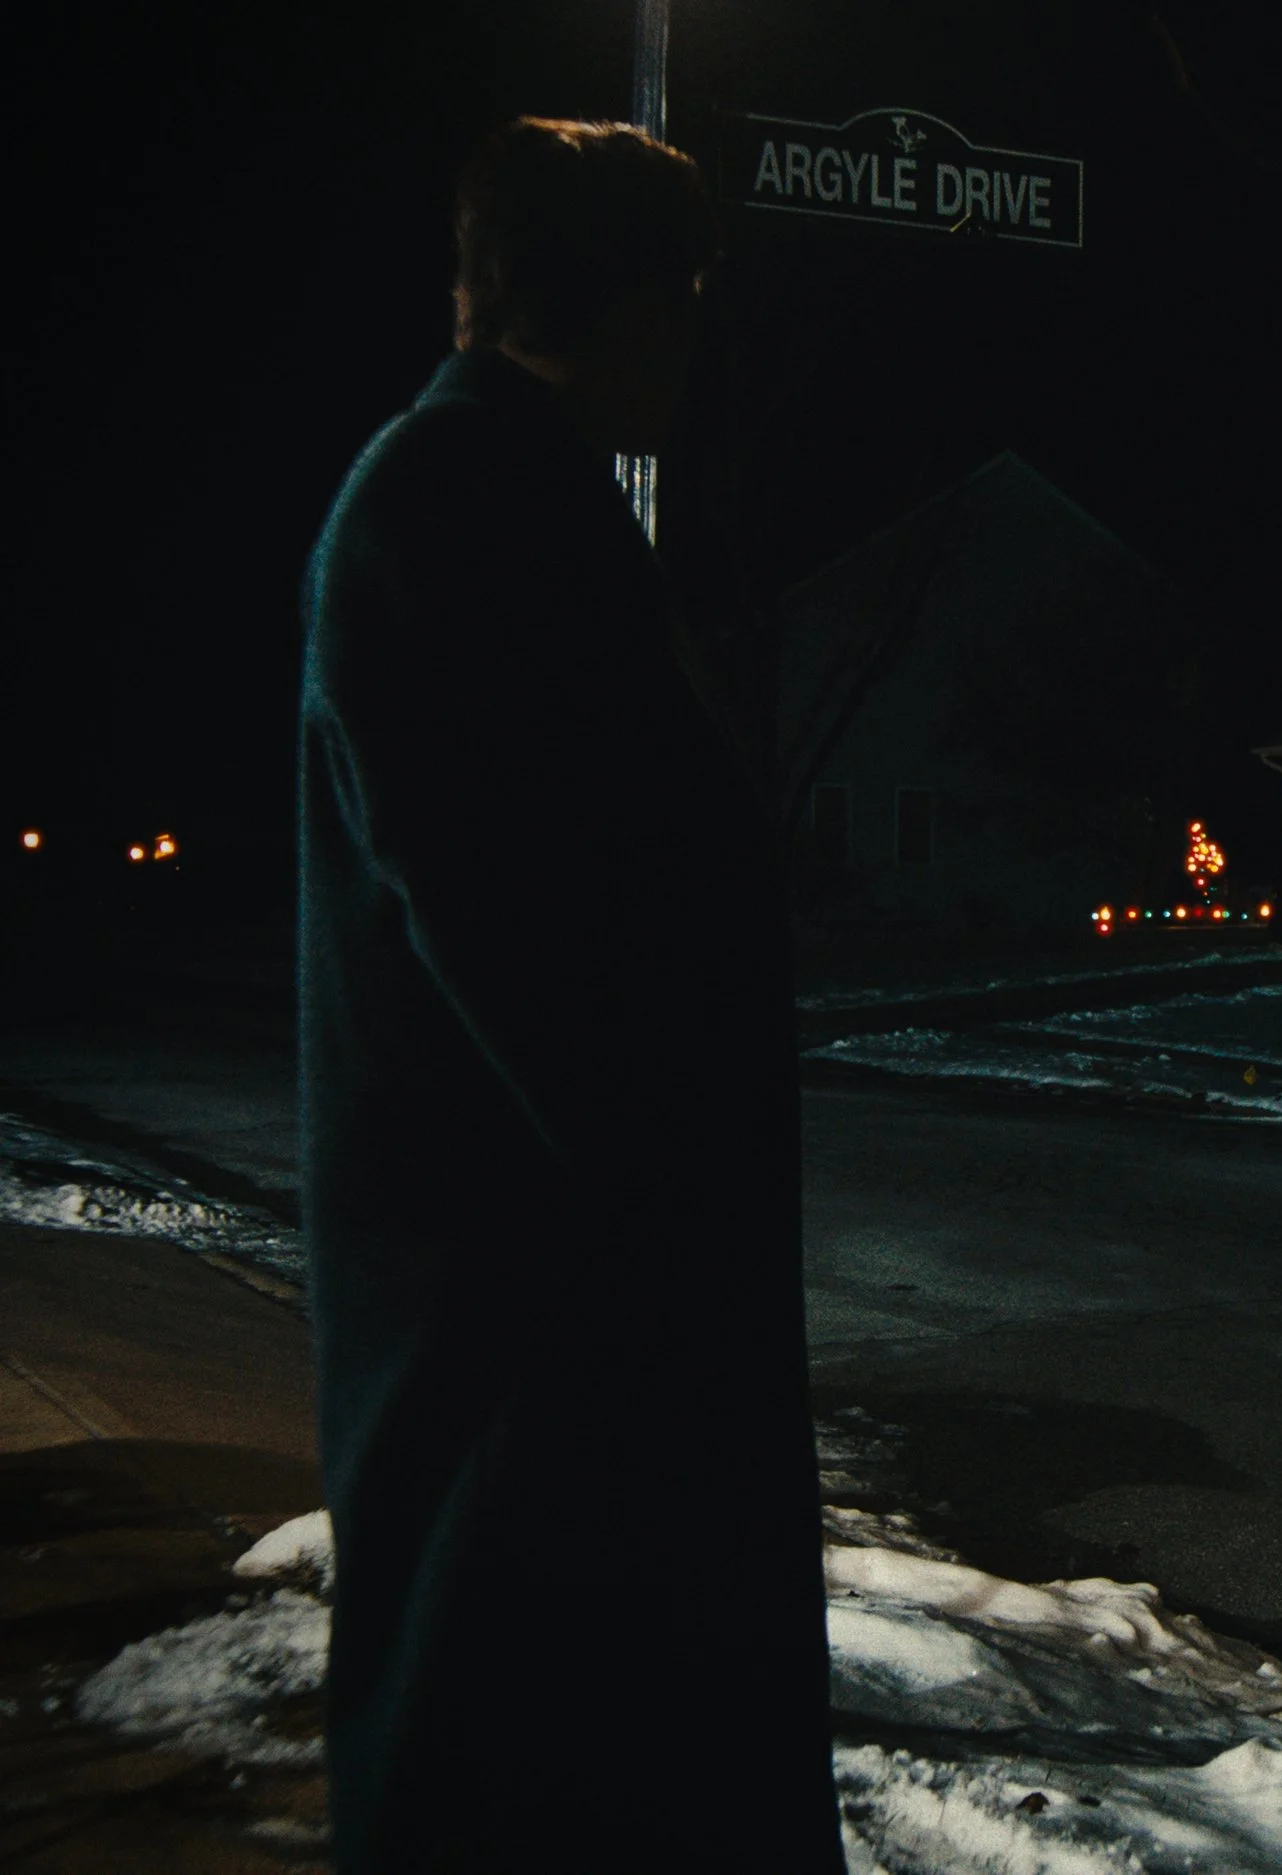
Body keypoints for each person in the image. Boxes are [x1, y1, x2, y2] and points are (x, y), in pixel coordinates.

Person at [298, 120, 842, 1870]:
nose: (693, 343)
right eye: (681, 297)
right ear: (621, 296)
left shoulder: (499, 500)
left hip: (564, 1332)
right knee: (529, 1777)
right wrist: (673, 1207)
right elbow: (527, 940)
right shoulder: (454, 509)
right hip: (536, 1354)